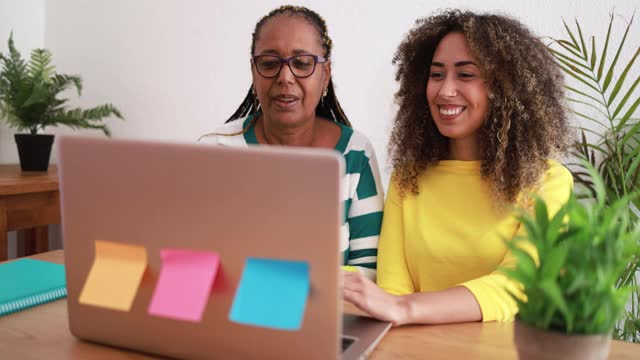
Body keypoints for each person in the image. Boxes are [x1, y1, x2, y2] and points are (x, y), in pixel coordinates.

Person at [342, 10, 574, 324]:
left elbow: (518, 285)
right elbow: (392, 291)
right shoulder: (408, 179)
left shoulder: (547, 181)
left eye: (466, 75)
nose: (445, 90)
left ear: (504, 88)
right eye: (436, 75)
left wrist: (406, 309)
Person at [199, 5, 383, 279]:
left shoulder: (355, 153)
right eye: (270, 63)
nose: (285, 78)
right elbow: (190, 261)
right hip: (228, 318)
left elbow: (368, 272)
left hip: (327, 317)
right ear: (253, 70)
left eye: (302, 63)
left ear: (326, 74)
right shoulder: (214, 151)